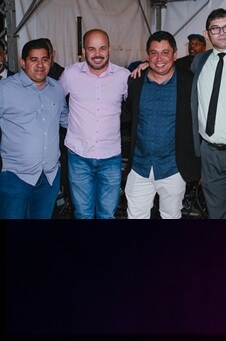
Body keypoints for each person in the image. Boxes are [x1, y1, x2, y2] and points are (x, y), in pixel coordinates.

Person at [122, 31, 199, 219]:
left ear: (175, 55)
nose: (159, 58)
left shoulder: (189, 83)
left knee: (171, 216)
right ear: (147, 56)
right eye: (154, 53)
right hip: (139, 167)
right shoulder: (135, 81)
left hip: (173, 168)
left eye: (165, 52)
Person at [59, 29, 129, 219]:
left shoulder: (124, 76)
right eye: (92, 49)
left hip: (111, 157)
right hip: (78, 156)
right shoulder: (70, 74)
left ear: (109, 49)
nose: (97, 54)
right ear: (83, 50)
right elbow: (54, 102)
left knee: (107, 214)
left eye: (102, 48)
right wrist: (70, 123)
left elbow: (137, 103)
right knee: (82, 214)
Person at [0, 39, 68, 218]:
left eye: (45, 59)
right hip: (15, 177)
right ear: (23, 62)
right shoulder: (4, 89)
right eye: (33, 59)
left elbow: (66, 120)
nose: (40, 65)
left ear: (50, 62)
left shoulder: (57, 88)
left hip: (49, 177)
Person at [191, 8, 226, 219]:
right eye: (215, 29)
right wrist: (146, 64)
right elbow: (168, 67)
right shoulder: (199, 61)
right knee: (216, 214)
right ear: (207, 34)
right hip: (208, 153)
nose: (221, 33)